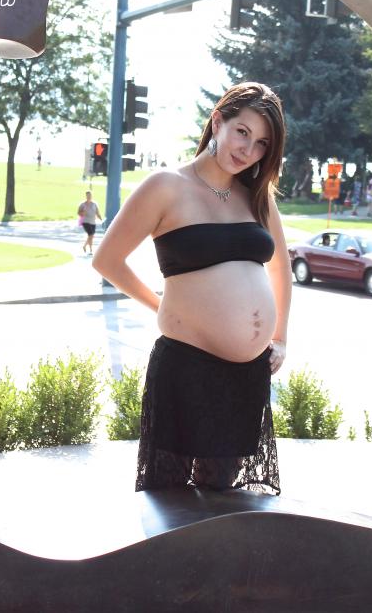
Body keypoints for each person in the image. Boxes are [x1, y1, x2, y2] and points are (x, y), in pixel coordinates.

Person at [93, 82, 290, 496]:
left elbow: (280, 269)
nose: (248, 150)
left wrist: (280, 337)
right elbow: (107, 260)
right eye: (242, 132)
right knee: (168, 499)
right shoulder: (166, 186)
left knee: (223, 499)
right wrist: (162, 307)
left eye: (261, 143)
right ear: (218, 122)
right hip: (185, 368)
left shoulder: (256, 197)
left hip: (245, 376)